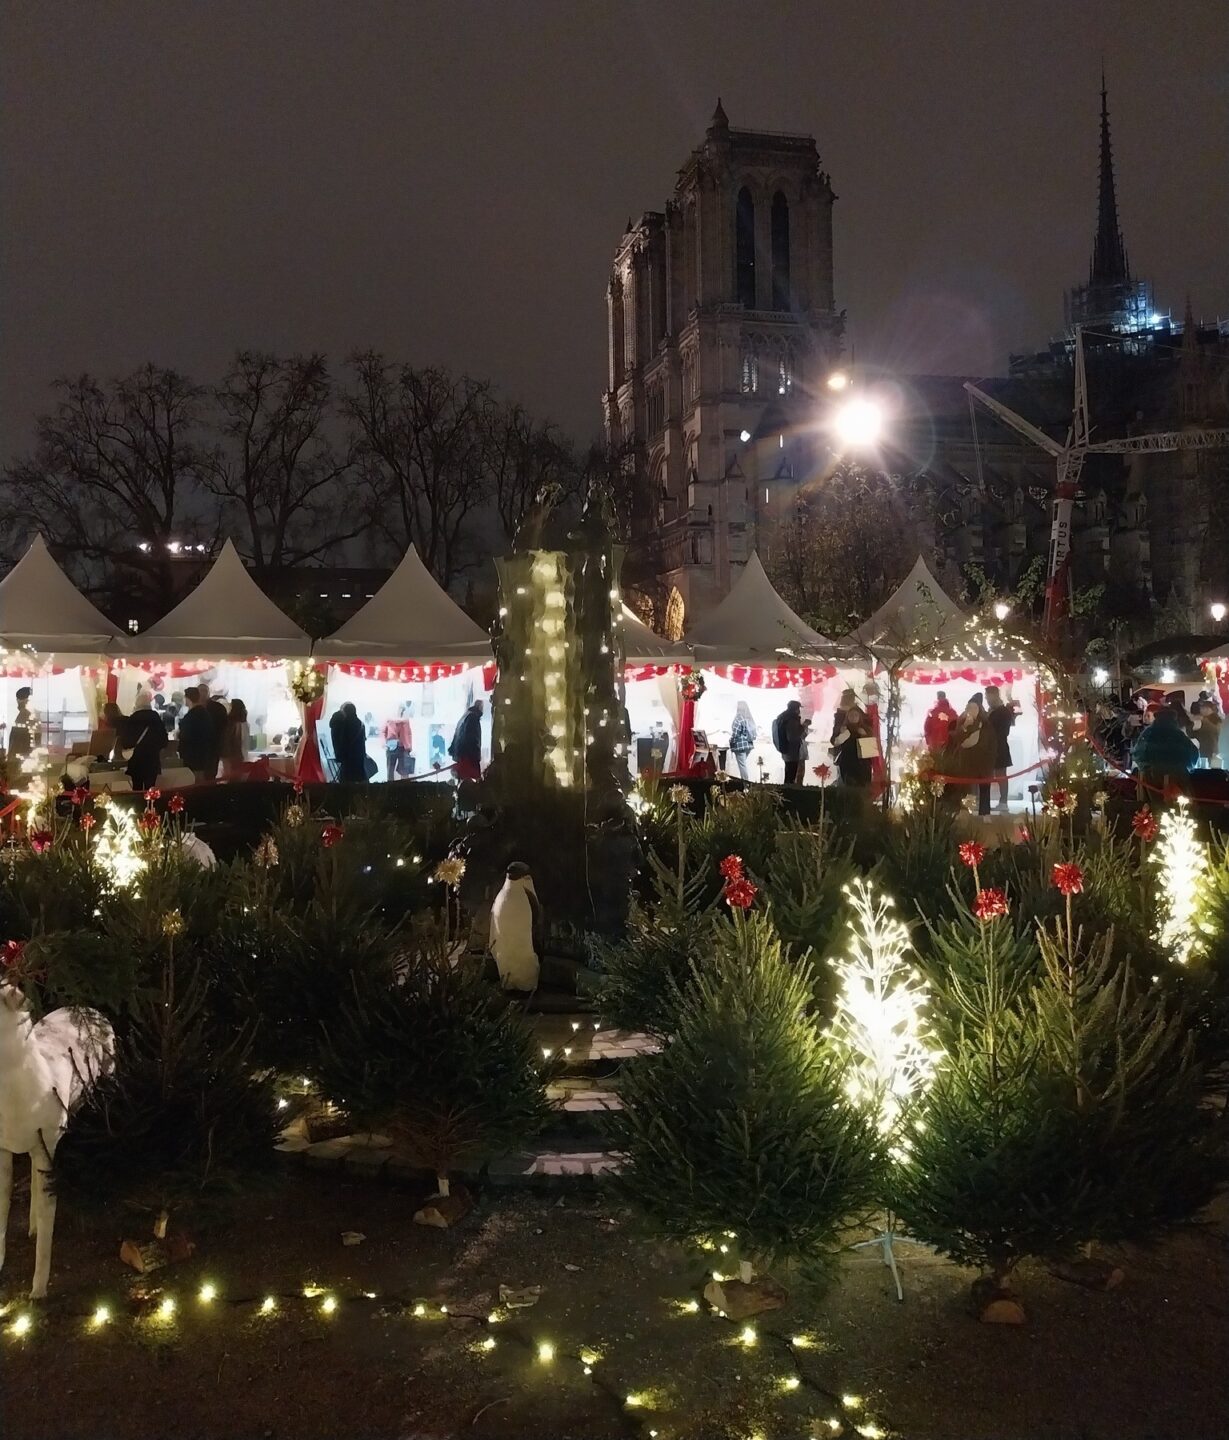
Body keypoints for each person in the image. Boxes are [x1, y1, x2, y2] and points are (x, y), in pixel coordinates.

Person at [951, 692, 998, 817]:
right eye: (969, 707)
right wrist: (964, 727)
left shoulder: (986, 724)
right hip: (967, 760)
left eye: (974, 707)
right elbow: (957, 739)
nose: (971, 710)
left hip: (984, 760)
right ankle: (966, 811)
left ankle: (985, 812)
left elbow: (992, 742)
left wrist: (991, 758)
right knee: (967, 787)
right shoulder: (962, 722)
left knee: (984, 787)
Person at [1132, 705, 1198, 793]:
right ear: (1173, 719)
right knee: (1177, 800)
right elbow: (1193, 753)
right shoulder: (1178, 734)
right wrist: (1186, 767)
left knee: (1155, 800)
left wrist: (1145, 768)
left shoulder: (1148, 733)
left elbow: (1138, 753)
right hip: (1177, 775)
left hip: (1151, 776)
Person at [125, 692, 167, 793]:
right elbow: (163, 740)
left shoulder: (132, 719)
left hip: (136, 760)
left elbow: (126, 742)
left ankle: (137, 802)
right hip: (152, 759)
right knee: (151, 789)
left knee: (137, 789)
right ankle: (150, 803)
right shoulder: (156, 718)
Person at [984, 685, 1017, 810]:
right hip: (990, 747)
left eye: (988, 697)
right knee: (988, 775)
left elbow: (1002, 731)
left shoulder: (1002, 712)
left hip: (999, 747)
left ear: (994, 696)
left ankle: (1003, 802)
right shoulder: (993, 711)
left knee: (1001, 775)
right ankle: (986, 802)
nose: (987, 700)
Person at [177, 686, 219, 783]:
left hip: (193, 754)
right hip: (203, 753)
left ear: (188, 698)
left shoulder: (192, 715)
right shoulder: (205, 714)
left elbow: (186, 735)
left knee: (195, 780)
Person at [830, 702, 874, 787]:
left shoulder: (865, 729)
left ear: (859, 717)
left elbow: (870, 750)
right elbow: (834, 741)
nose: (853, 717)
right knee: (848, 784)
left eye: (856, 715)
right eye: (851, 715)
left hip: (862, 764)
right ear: (847, 717)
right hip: (847, 762)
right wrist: (842, 734)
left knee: (862, 786)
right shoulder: (843, 728)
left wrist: (864, 735)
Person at [328, 701, 369, 783]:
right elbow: (363, 740)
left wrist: (339, 755)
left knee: (347, 782)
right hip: (359, 759)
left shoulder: (344, 724)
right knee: (359, 782)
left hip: (347, 759)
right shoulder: (361, 724)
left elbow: (342, 741)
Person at [772, 698, 810, 785]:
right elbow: (793, 736)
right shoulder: (792, 719)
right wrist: (804, 726)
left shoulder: (783, 717)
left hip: (785, 750)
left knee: (789, 773)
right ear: (796, 709)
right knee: (791, 775)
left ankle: (787, 789)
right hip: (792, 751)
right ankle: (789, 791)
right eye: (798, 708)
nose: (799, 711)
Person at [448, 699, 485, 783]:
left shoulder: (466, 716)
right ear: (480, 707)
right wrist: (476, 756)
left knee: (463, 779)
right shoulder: (473, 718)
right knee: (471, 780)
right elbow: (473, 737)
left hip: (462, 754)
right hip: (468, 756)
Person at [6, 686, 36, 778]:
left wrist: (11, 758)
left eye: (19, 700)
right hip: (21, 757)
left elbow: (18, 741)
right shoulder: (24, 715)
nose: (18, 702)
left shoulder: (24, 716)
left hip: (19, 758)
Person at [383, 702, 414, 782]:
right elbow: (383, 732)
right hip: (391, 747)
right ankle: (390, 786)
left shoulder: (405, 721)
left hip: (403, 747)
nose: (401, 711)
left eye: (403, 710)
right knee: (390, 769)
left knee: (404, 770)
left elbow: (409, 733)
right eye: (400, 709)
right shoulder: (389, 720)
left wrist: (410, 746)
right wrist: (384, 743)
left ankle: (405, 786)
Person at [220, 698, 250, 780]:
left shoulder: (231, 724)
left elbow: (230, 740)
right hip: (241, 754)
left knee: (231, 777)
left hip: (232, 755)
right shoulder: (245, 724)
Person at [1192, 691, 1223, 769]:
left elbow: (1193, 733)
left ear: (1209, 709)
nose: (1201, 710)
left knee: (1207, 770)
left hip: (1207, 750)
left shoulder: (1204, 721)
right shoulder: (1218, 719)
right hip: (1216, 749)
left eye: (1203, 708)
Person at [728, 700, 757, 781]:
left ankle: (745, 783)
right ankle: (745, 782)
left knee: (742, 766)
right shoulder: (749, 718)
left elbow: (735, 733)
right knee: (743, 764)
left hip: (740, 746)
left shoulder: (738, 718)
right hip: (748, 745)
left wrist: (731, 742)